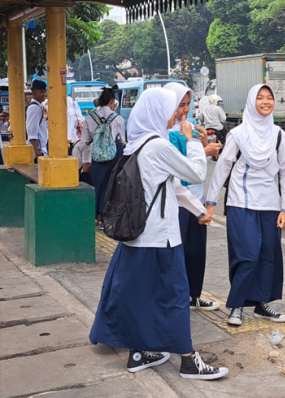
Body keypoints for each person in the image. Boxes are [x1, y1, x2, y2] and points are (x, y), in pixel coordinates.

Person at [89, 87, 229, 380]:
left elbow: (172, 188)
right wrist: (191, 140)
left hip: (138, 236)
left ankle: (139, 352)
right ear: (157, 112)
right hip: (162, 238)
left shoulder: (138, 144)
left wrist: (197, 211)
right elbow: (194, 174)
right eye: (172, 108)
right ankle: (189, 360)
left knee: (139, 295)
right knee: (176, 296)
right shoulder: (158, 146)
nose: (177, 114)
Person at [205, 84, 285, 327]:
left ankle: (261, 303)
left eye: (270, 98)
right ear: (251, 102)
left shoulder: (279, 135)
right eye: (260, 98)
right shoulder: (239, 134)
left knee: (268, 255)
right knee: (247, 256)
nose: (266, 102)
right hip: (241, 202)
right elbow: (223, 166)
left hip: (270, 205)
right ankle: (236, 305)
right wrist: (210, 202)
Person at [165, 82, 223, 312]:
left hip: (195, 199)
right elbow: (180, 168)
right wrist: (203, 150)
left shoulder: (192, 128)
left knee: (196, 250)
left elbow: (199, 170)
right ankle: (177, 297)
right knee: (177, 253)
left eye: (188, 104)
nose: (185, 110)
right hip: (177, 202)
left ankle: (193, 295)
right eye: (180, 105)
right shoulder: (165, 134)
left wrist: (206, 148)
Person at [82, 88, 126, 225]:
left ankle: (95, 214)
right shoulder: (117, 118)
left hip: (97, 154)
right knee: (112, 184)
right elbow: (122, 140)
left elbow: (86, 141)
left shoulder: (89, 117)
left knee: (97, 183)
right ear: (112, 101)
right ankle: (108, 214)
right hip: (114, 153)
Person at [26, 80, 48, 158]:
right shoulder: (34, 108)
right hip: (37, 151)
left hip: (40, 149)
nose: (44, 94)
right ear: (34, 93)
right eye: (41, 92)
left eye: (45, 92)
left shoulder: (38, 106)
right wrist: (36, 149)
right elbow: (32, 128)